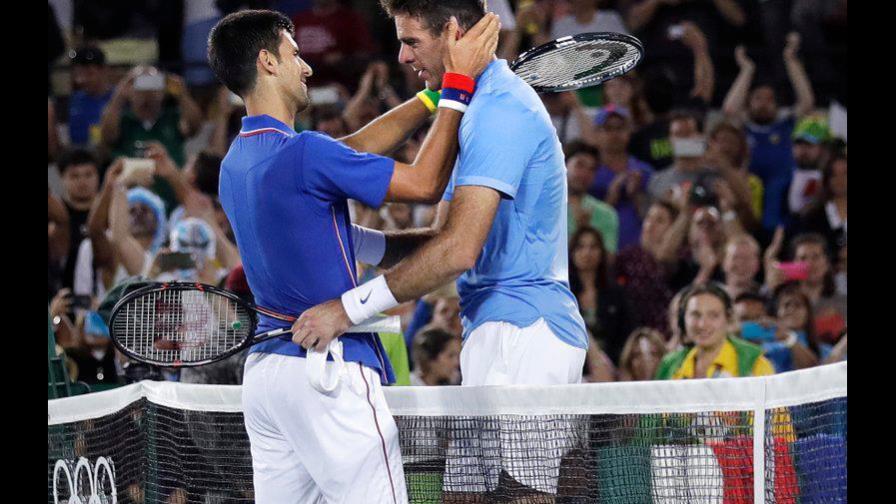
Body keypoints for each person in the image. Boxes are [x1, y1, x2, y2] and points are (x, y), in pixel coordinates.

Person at [207, 8, 499, 503]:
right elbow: (425, 183)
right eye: (295, 55)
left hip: (268, 380)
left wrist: (428, 98)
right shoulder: (305, 155)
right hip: (326, 370)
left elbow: (351, 150)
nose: (307, 68)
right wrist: (456, 88)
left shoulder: (237, 163)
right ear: (267, 62)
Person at [300, 1, 588, 500]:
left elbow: (457, 252)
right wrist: (360, 242)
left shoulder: (501, 113)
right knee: (462, 496)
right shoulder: (475, 106)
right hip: (490, 328)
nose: (402, 55)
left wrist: (347, 310)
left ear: (453, 32)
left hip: (527, 332)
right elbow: (441, 236)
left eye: (412, 41)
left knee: (523, 497)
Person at [721, 34, 816, 234]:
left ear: (776, 104)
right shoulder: (744, 125)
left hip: (782, 191)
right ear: (749, 102)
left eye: (769, 99)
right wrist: (747, 70)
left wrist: (790, 60)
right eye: (758, 98)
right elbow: (729, 109)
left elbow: (806, 102)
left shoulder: (784, 122)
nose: (764, 104)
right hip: (750, 189)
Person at [655, 283, 775, 379]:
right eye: (695, 315)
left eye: (713, 315)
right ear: (683, 320)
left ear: (728, 319)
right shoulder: (669, 366)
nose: (702, 324)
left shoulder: (754, 364)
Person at [582, 106, 654, 251]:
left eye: (620, 128)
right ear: (596, 133)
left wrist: (636, 195)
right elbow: (582, 220)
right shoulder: (588, 172)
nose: (614, 134)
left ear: (629, 131)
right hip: (600, 251)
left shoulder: (644, 171)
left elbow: (653, 217)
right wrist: (611, 197)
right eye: (608, 128)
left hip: (638, 250)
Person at [568, 226, 632, 365]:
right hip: (573, 364)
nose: (587, 252)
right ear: (571, 252)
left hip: (611, 365)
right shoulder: (564, 294)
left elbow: (626, 332)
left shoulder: (616, 293)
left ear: (601, 252)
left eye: (593, 247)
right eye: (580, 247)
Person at [564, 140, 620, 253]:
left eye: (591, 169)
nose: (585, 174)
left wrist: (583, 230)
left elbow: (608, 263)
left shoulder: (606, 214)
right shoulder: (539, 207)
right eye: (580, 165)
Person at [67, 47, 113, 148]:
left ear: (104, 70)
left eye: (89, 73)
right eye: (79, 74)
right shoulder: (75, 100)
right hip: (79, 156)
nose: (83, 80)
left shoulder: (118, 99)